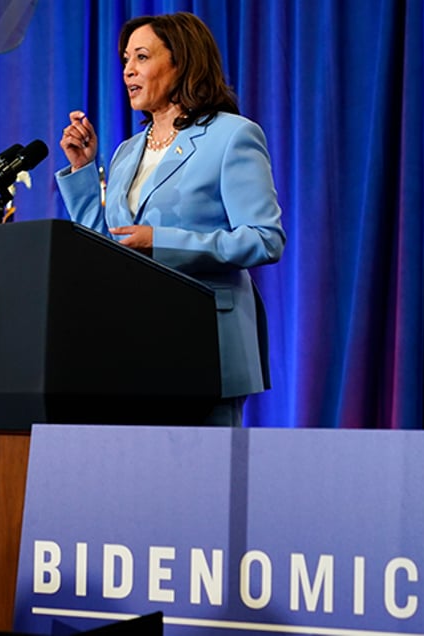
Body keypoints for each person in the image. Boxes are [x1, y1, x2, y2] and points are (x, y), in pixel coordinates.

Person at [57, 12, 286, 427]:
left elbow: (264, 239)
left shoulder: (232, 135)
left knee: (206, 485)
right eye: (126, 58)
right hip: (136, 349)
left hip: (207, 348)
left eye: (141, 57)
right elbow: (109, 247)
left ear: (181, 62)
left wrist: (160, 241)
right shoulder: (127, 151)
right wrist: (83, 172)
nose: (127, 69)